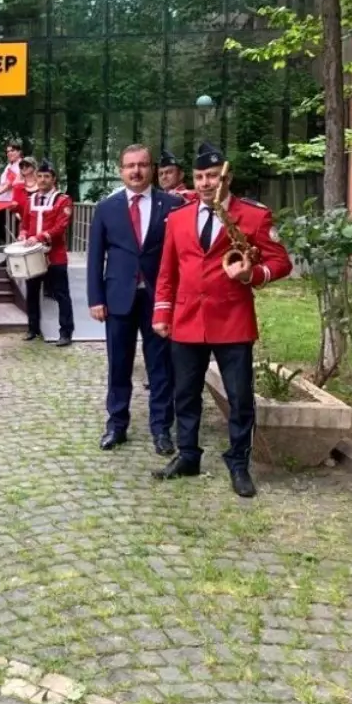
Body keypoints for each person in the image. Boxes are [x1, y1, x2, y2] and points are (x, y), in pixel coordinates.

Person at [152, 143, 293, 498]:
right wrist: (162, 312)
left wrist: (252, 275)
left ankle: (238, 463)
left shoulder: (254, 216)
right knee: (184, 395)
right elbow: (167, 271)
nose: (204, 183)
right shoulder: (178, 217)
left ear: (226, 177)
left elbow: (281, 262)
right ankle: (187, 456)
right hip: (187, 318)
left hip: (232, 319)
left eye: (212, 176)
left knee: (240, 397)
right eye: (199, 176)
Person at [87, 144, 184, 457]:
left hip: (159, 298)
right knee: (119, 363)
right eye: (130, 165)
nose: (136, 171)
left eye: (142, 165)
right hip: (118, 298)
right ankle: (116, 424)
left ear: (152, 168)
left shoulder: (172, 205)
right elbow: (94, 257)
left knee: (161, 366)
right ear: (121, 170)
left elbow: (181, 255)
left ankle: (161, 428)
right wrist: (95, 298)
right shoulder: (106, 208)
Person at [22, 160, 75, 346]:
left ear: (53, 179)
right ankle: (33, 328)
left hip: (55, 255)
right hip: (33, 255)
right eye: (40, 176)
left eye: (47, 177)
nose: (43, 180)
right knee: (32, 292)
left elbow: (61, 226)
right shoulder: (30, 200)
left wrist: (40, 236)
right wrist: (22, 234)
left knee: (61, 294)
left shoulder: (63, 200)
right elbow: (25, 223)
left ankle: (66, 332)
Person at [0, 138, 25, 265]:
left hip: (15, 203)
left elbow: (10, 184)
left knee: (15, 232)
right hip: (6, 203)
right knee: (8, 232)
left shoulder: (20, 166)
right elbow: (4, 185)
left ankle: (14, 258)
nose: (9, 153)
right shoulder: (9, 166)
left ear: (19, 152)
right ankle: (10, 257)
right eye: (8, 151)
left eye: (13, 151)